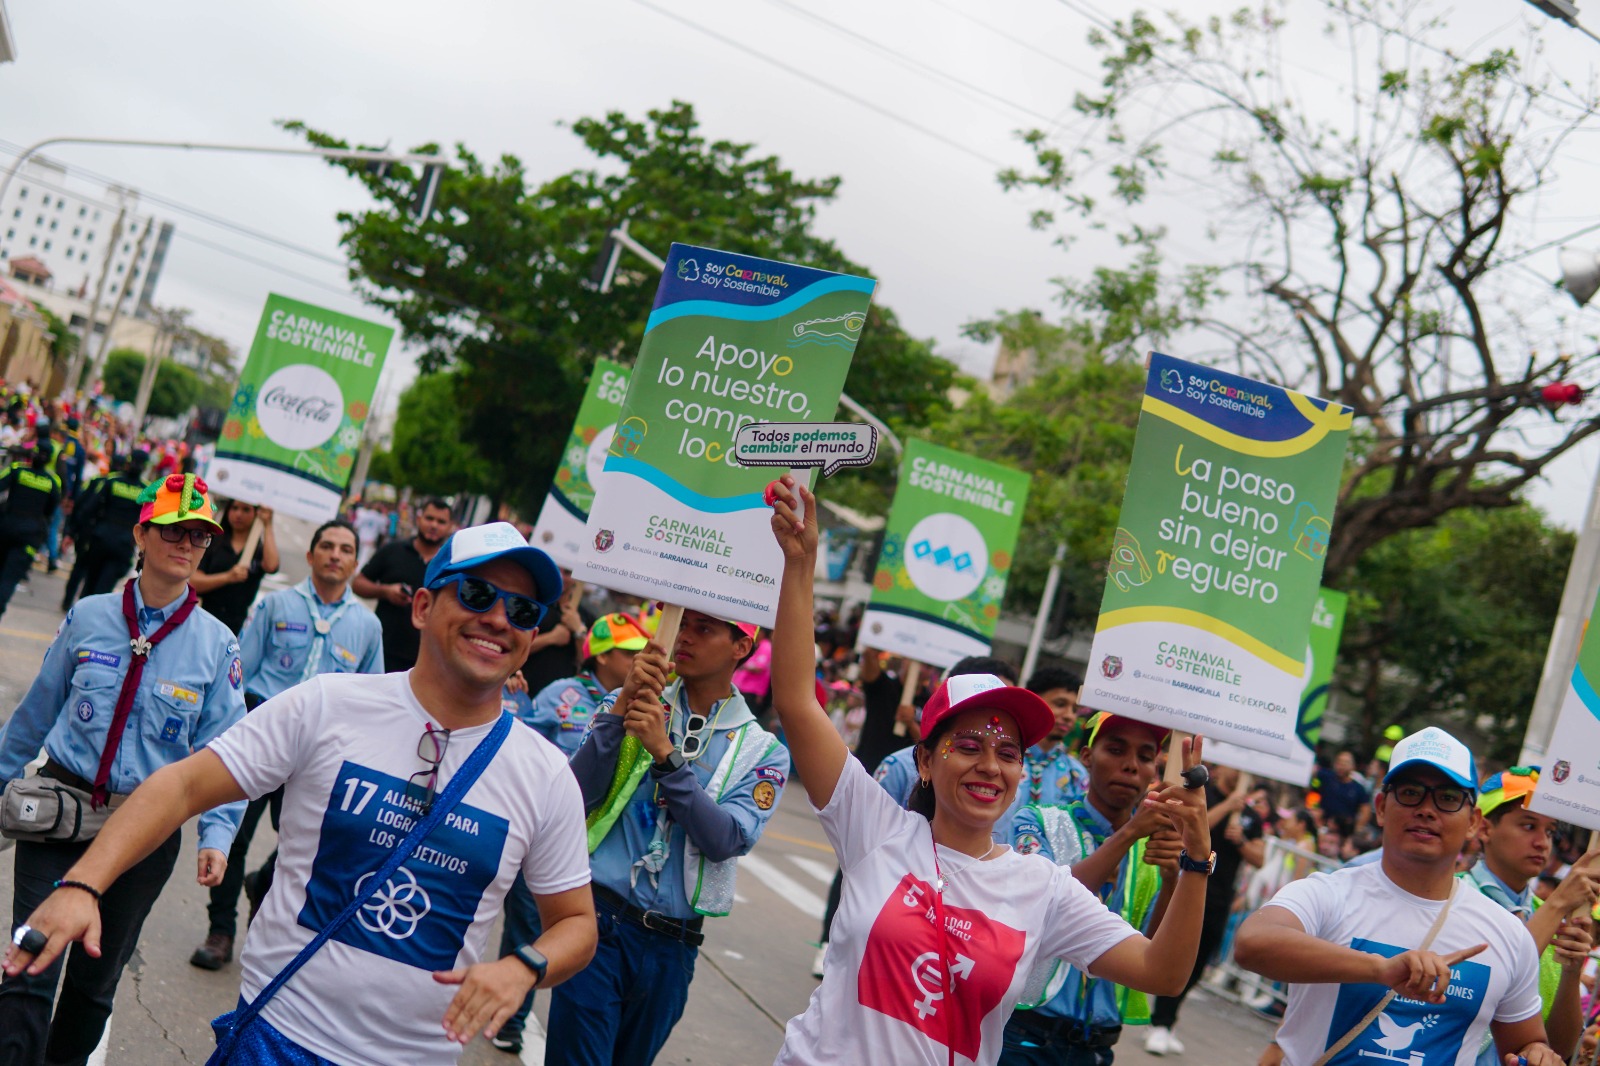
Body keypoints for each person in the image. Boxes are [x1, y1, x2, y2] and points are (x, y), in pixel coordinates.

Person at [5, 521, 599, 1064]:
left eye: (523, 610)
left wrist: (525, 966)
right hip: (278, 1037)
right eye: (476, 595)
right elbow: (183, 784)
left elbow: (575, 922)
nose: (498, 619)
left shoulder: (545, 774)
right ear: (422, 605)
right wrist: (84, 883)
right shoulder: (329, 705)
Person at [765, 477, 1213, 1066]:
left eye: (1008, 753)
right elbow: (798, 700)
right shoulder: (876, 831)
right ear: (925, 761)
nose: (989, 766)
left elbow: (1162, 972)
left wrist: (1197, 860)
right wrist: (799, 567)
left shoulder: (1043, 887)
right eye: (968, 745)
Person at [0, 473, 246, 1065]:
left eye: (198, 536)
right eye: (172, 530)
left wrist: (217, 835)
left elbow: (228, 751)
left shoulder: (217, 646)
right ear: (142, 532)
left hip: (145, 829)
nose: (185, 544)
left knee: (94, 981)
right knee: (29, 960)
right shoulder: (88, 616)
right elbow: (36, 712)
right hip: (59, 808)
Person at [547, 608, 791, 1066]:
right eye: (684, 624)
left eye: (705, 628)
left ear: (742, 647)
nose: (685, 637)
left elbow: (725, 840)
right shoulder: (630, 701)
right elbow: (572, 796)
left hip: (672, 949)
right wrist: (618, 714)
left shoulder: (763, 750)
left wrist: (666, 756)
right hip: (598, 923)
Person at [1233, 727, 1560, 1066]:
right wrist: (1379, 968)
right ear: (1381, 807)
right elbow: (1252, 943)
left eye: (1447, 798)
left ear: (1474, 822)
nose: (1426, 809)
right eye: (1410, 792)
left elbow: (1526, 1042)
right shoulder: (1327, 893)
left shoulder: (1507, 934)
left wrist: (1536, 1055)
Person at [188, 517, 385, 971]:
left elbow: (370, 699)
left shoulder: (366, 627)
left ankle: (263, 884)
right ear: (312, 555)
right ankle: (221, 930)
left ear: (355, 562)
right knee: (233, 834)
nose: (336, 555)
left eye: (346, 549)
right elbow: (240, 675)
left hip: (323, 754)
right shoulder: (275, 606)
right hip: (265, 737)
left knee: (308, 844)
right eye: (328, 546)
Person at [487, 609, 651, 1055]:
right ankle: (512, 1018)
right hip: (542, 833)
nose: (638, 660)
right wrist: (510, 700)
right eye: (628, 652)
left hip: (589, 847)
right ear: (600, 655)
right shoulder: (563, 693)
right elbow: (519, 739)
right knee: (526, 926)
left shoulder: (647, 705)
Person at [1000, 710, 1185, 1065]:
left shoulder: (1155, 853)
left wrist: (1174, 878)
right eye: (1116, 750)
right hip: (1023, 1037)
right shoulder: (1038, 821)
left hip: (1096, 1049)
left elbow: (1155, 957)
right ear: (1086, 758)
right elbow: (1045, 906)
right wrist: (1129, 834)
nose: (1131, 766)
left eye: (1145, 757)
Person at [1465, 767, 1598, 1066]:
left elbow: (1559, 1048)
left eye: (1550, 831)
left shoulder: (1549, 913)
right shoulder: (1452, 897)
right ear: (1484, 829)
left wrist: (1572, 972)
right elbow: (1494, 984)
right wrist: (1559, 902)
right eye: (1528, 826)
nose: (1543, 842)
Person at [1145, 762, 1264, 1054]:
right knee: (1179, 954)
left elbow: (1259, 858)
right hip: (1191, 888)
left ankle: (1169, 1021)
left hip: (1221, 898)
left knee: (1200, 964)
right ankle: (1159, 1022)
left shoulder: (1249, 816)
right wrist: (1226, 807)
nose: (1239, 772)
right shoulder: (1202, 796)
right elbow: (1193, 828)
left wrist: (1242, 840)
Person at [352, 496, 455, 672]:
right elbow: (358, 583)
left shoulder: (452, 565)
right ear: (419, 519)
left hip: (425, 663)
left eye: (441, 521)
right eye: (430, 518)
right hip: (380, 652)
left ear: (449, 527)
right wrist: (385, 591)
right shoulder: (393, 550)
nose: (434, 525)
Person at [60, 448, 148, 610]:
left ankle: (80, 613)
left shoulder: (112, 481)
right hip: (123, 543)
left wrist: (73, 532)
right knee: (104, 589)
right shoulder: (146, 490)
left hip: (100, 539)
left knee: (90, 583)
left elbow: (89, 509)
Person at [190, 498, 281, 636]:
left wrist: (267, 525)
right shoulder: (212, 542)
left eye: (246, 509)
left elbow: (271, 566)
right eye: (234, 508)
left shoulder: (258, 550)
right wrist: (227, 577)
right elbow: (194, 582)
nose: (239, 514)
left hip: (238, 625)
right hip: (204, 616)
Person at [0, 440, 63, 619]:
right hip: (29, 535)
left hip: (6, 528)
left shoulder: (16, 470)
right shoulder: (52, 481)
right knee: (9, 579)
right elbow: (51, 510)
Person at [1317, 751, 1371, 839]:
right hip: (1323, 825)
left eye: (1345, 763)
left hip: (1343, 832)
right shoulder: (1327, 777)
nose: (1341, 766)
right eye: (1339, 762)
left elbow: (1365, 810)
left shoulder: (1357, 788)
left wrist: (1356, 828)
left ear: (1353, 766)